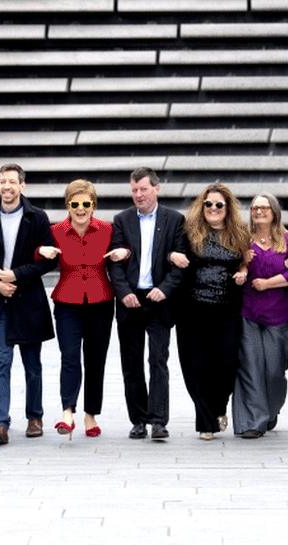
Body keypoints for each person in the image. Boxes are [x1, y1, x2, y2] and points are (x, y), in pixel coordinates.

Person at [0, 163, 57, 445]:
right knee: (0, 362)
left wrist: (17, 276)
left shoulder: (38, 217)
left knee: (32, 363)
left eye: (12, 182)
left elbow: (50, 260)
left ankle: (35, 417)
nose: (6, 187)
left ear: (22, 185)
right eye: (3, 182)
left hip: (28, 301)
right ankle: (0, 422)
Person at [108, 167, 185, 441]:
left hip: (158, 300)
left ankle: (158, 420)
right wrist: (123, 292)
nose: (138, 195)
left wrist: (165, 289)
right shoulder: (122, 220)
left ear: (156, 188)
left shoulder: (175, 220)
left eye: (143, 189)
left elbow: (181, 262)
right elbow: (114, 264)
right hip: (130, 300)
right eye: (134, 190)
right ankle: (138, 419)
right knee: (131, 362)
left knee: (158, 360)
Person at [170, 184, 249, 441]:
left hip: (227, 311)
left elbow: (249, 261)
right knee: (196, 367)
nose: (213, 209)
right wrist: (172, 255)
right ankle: (206, 422)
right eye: (208, 204)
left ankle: (219, 407)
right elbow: (171, 254)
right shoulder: (189, 232)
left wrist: (244, 272)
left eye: (218, 205)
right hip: (192, 311)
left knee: (226, 365)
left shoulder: (239, 234)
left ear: (228, 209)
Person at [37, 179, 115, 439]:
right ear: (67, 205)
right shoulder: (56, 230)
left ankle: (90, 414)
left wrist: (123, 252)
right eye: (75, 204)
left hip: (100, 302)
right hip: (67, 302)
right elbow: (36, 254)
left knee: (95, 360)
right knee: (70, 356)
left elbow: (125, 252)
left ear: (93, 205)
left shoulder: (106, 230)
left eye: (86, 204)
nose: (80, 209)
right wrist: (40, 250)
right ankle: (67, 411)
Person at [233, 193, 288, 439]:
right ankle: (254, 421)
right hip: (248, 313)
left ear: (274, 211)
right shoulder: (243, 239)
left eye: (264, 207)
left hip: (279, 315)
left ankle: (270, 410)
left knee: (275, 370)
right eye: (255, 208)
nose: (259, 211)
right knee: (251, 366)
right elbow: (233, 266)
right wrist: (242, 264)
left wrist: (268, 283)